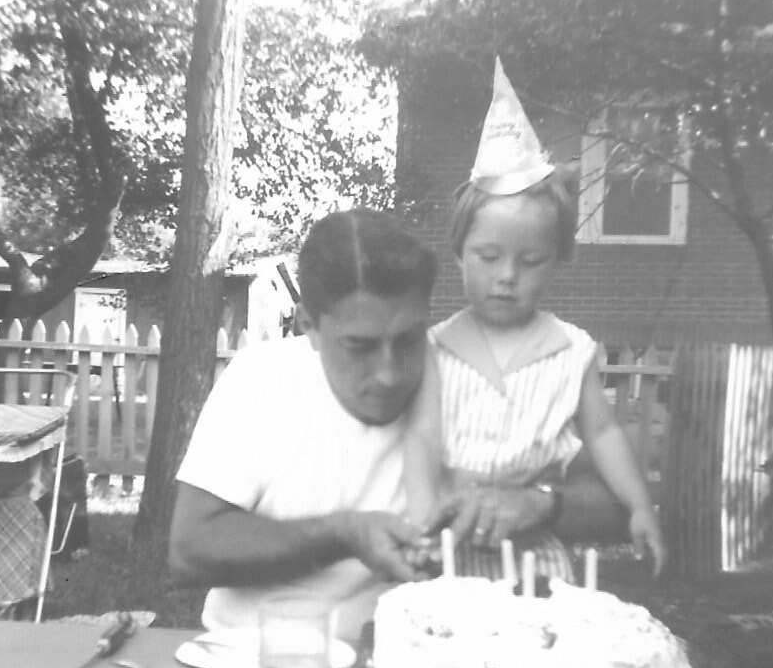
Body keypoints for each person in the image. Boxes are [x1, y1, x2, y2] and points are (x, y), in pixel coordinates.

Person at [168, 207, 627, 642]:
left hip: (417, 667)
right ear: (308, 324)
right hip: (252, 661)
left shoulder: (471, 377)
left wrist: (537, 503)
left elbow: (619, 505)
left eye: (408, 340)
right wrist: (342, 534)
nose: (390, 373)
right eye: (360, 347)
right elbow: (190, 550)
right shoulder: (261, 380)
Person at [410, 58, 665, 581]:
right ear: (458, 254)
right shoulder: (434, 347)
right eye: (488, 256)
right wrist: (421, 523)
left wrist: (639, 506)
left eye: (529, 262)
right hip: (450, 546)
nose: (507, 276)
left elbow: (604, 433)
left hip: (535, 554)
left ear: (556, 262)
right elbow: (422, 440)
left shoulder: (572, 351)